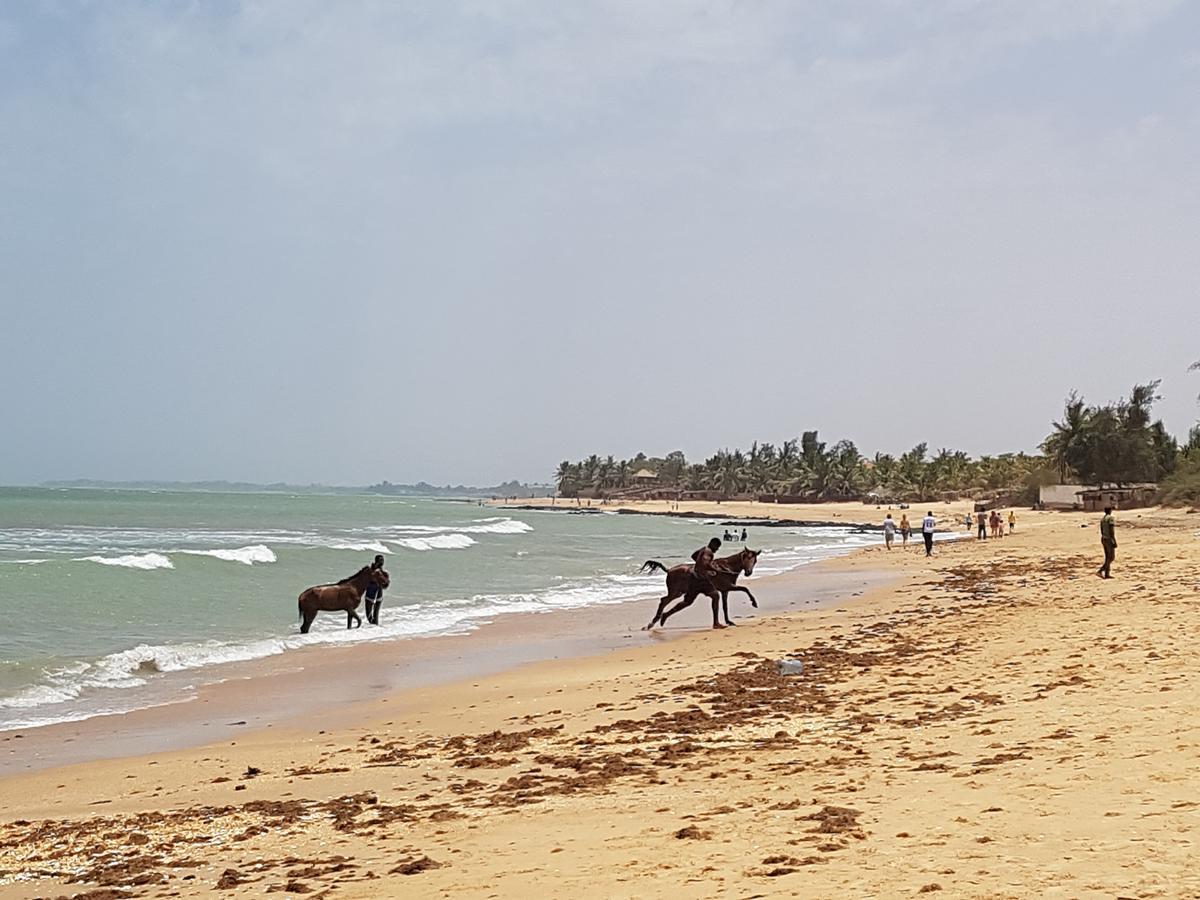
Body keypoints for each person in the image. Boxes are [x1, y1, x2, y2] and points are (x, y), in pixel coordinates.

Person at [364, 554, 388, 625]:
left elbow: (386, 585)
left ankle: (375, 627)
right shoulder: (370, 570)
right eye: (380, 560)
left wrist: (383, 579)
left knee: (376, 613)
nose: (382, 562)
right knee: (368, 614)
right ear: (376, 561)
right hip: (370, 594)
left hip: (379, 594)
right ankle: (373, 627)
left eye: (382, 560)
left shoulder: (384, 573)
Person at [1098, 506, 1117, 578]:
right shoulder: (1110, 518)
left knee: (1107, 557)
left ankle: (1107, 574)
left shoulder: (1102, 519)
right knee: (1111, 557)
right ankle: (1100, 570)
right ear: (1110, 510)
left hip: (1104, 538)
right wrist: (1113, 540)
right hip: (1109, 539)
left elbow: (1102, 530)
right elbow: (1111, 530)